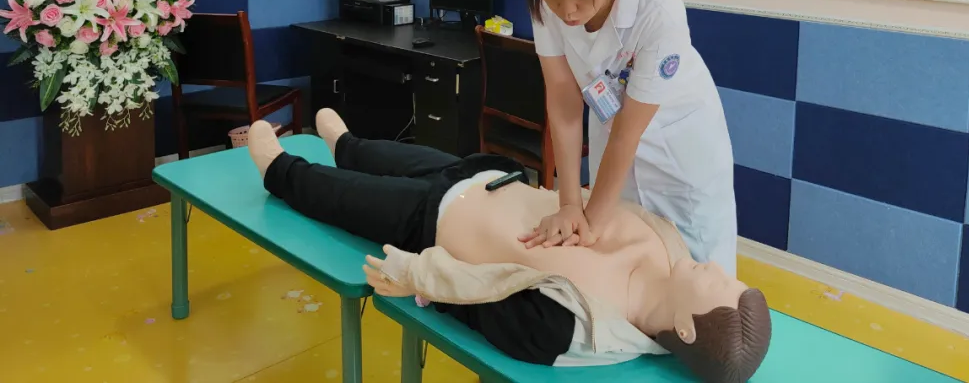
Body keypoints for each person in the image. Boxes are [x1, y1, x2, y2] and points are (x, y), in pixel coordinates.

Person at [246, 112, 771, 381]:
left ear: (685, 327)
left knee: (339, 196)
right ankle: (346, 145)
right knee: (379, 154)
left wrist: (419, 275)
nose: (717, 270)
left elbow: (484, 308)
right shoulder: (670, 246)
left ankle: (278, 168)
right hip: (491, 180)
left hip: (435, 221)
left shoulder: (575, 329)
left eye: (718, 287)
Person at [522, 0, 737, 274]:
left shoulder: (659, 11)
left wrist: (586, 226)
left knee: (695, 275)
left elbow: (629, 132)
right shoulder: (545, 2)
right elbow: (564, 100)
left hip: (678, 144)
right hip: (613, 128)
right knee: (623, 264)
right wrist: (569, 203)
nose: (567, 12)